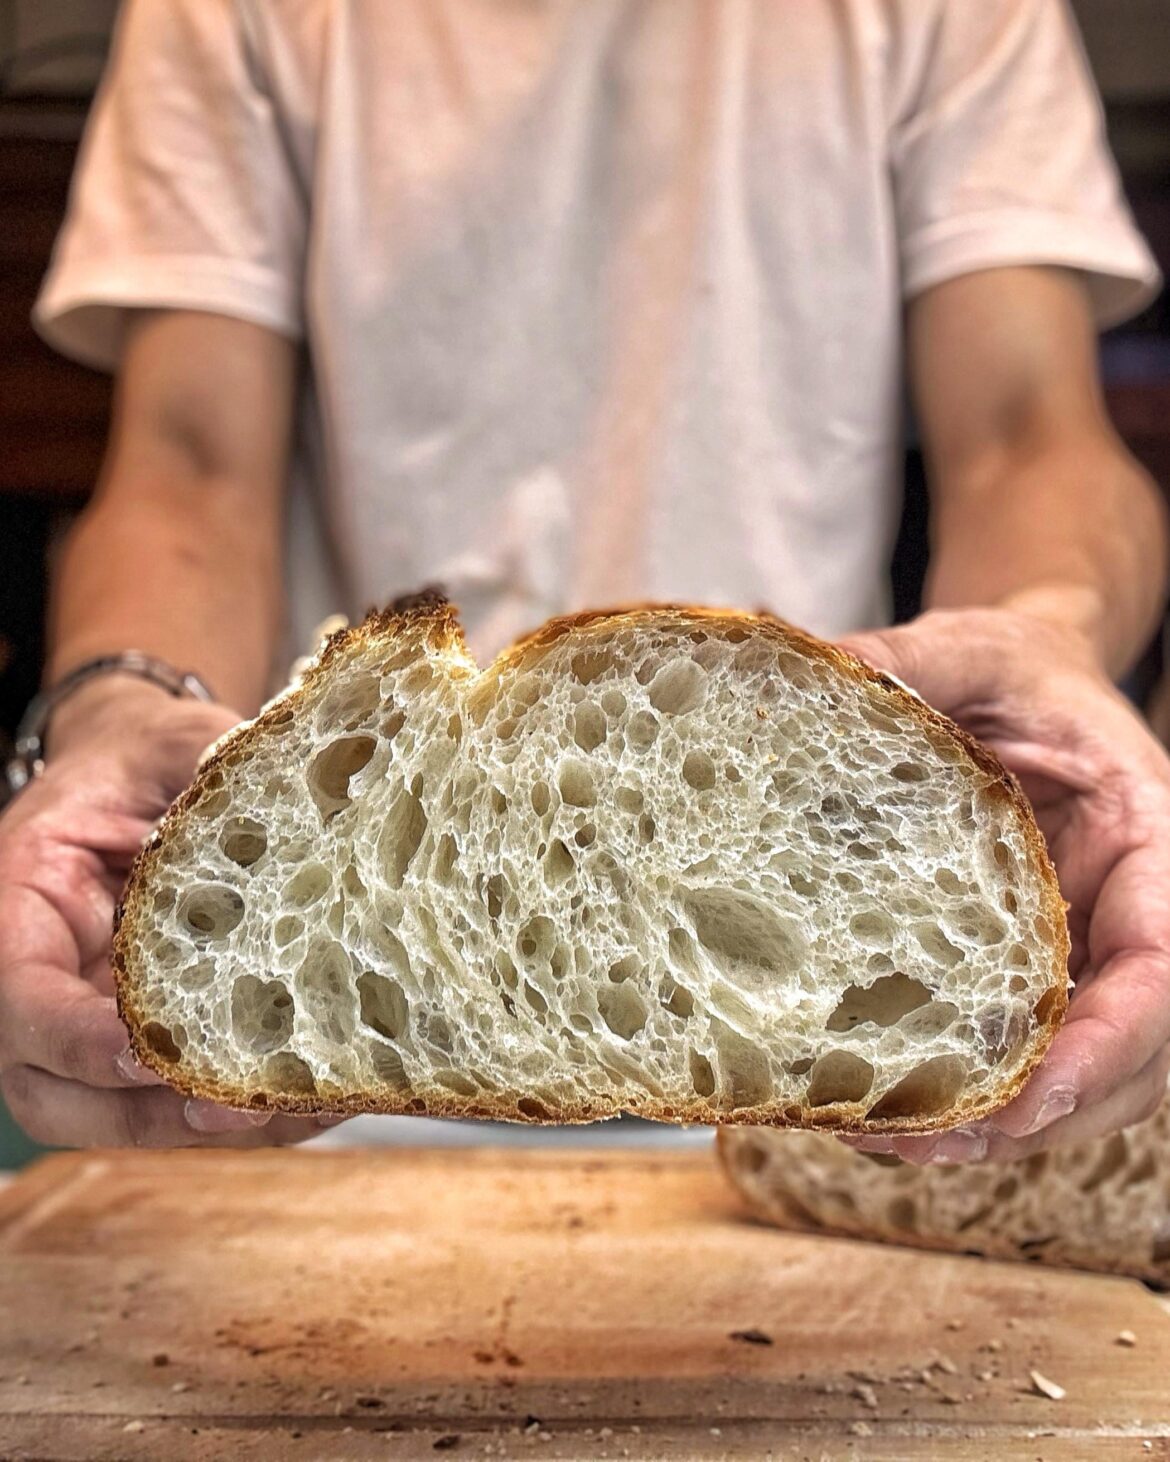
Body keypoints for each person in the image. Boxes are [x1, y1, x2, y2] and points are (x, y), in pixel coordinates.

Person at [1, 0, 1166, 1162]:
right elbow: (190, 469)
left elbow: (1029, 438)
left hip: (811, 1018)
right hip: (337, 997)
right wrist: (116, 708)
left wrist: (1046, 642)